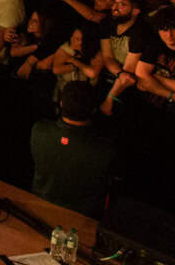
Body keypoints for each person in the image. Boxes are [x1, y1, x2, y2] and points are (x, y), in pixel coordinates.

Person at [30, 81, 118, 218]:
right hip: (83, 215)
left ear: (61, 104)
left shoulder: (39, 130)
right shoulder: (104, 149)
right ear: (94, 110)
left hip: (40, 204)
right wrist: (111, 97)